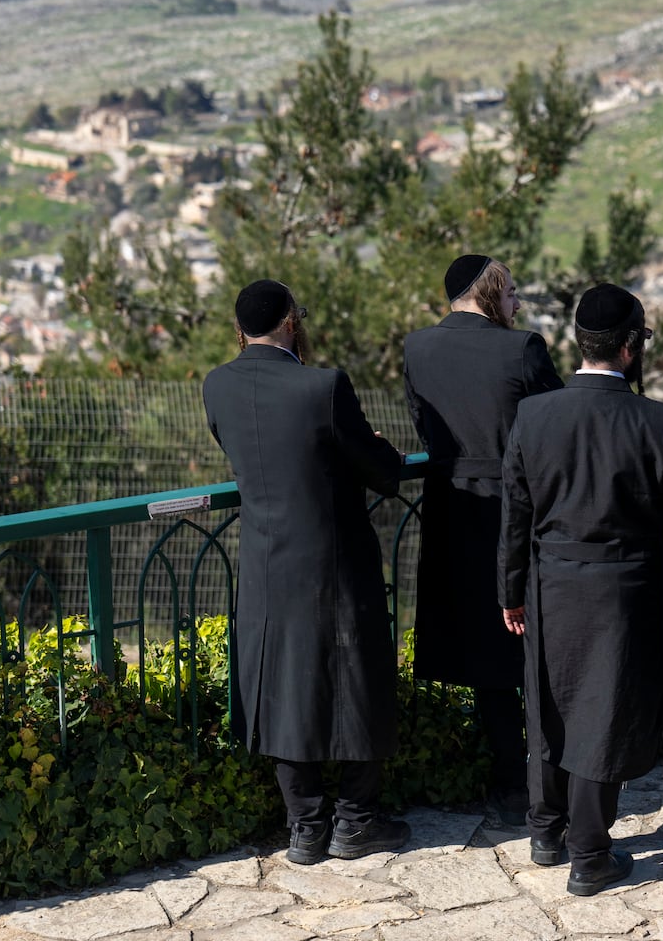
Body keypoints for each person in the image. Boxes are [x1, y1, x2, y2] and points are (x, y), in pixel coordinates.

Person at [498, 283, 663, 896]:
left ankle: (545, 832)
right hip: (624, 592)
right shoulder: (656, 422)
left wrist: (510, 590)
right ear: (628, 348)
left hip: (549, 584)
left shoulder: (533, 415)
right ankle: (589, 852)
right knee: (600, 713)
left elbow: (516, 514)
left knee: (550, 699)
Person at [202, 279, 410, 865]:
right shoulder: (323, 385)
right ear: (292, 321)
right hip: (337, 558)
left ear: (239, 331)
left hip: (267, 562)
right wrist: (380, 450)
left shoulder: (217, 385)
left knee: (282, 687)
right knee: (358, 681)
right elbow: (376, 468)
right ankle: (356, 822)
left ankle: (304, 828)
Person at [403, 255, 563, 826]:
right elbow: (559, 422)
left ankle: (508, 783)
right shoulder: (522, 349)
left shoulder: (416, 347)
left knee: (481, 645)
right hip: (516, 506)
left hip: (451, 507)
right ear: (491, 291)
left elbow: (424, 423)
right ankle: (549, 777)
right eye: (514, 293)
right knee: (533, 640)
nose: (517, 305)